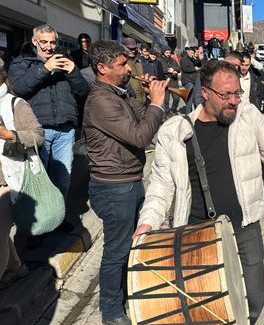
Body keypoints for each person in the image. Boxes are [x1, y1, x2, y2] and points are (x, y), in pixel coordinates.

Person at [133, 60, 264, 324]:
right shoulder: (175, 131)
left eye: (237, 93)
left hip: (244, 227)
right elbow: (161, 186)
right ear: (205, 93)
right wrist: (147, 223)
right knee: (206, 308)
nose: (233, 101)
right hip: (195, 232)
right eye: (226, 95)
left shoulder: (249, 116)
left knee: (253, 301)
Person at [83, 40, 167, 325]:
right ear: (102, 68)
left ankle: (126, 295)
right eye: (122, 64)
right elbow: (141, 137)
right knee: (116, 251)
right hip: (114, 186)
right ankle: (111, 311)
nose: (129, 68)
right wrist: (156, 103)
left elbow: (144, 121)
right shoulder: (101, 101)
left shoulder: (121, 93)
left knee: (133, 245)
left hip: (129, 180)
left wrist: (147, 99)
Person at [9, 24, 90, 225]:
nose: (49, 47)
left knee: (63, 176)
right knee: (40, 179)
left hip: (65, 128)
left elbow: (83, 92)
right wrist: (44, 69)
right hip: (38, 130)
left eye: (52, 42)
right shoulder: (21, 63)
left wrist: (73, 73)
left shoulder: (66, 61)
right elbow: (19, 88)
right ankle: (38, 222)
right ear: (34, 41)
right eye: (43, 42)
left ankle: (58, 218)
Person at [0, 68, 44, 290]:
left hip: (9, 180)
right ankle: (17, 268)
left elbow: (37, 135)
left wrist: (8, 134)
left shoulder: (15, 104)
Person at [122, 37, 146, 104]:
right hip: (130, 99)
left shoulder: (138, 62)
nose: (133, 51)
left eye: (134, 48)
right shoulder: (121, 63)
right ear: (123, 47)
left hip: (142, 97)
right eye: (130, 48)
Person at [158, 46, 181, 114]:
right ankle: (167, 112)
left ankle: (173, 110)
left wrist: (174, 69)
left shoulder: (173, 60)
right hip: (165, 82)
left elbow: (179, 69)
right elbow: (160, 70)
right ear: (163, 53)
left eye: (169, 53)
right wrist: (169, 70)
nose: (168, 54)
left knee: (177, 98)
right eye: (166, 53)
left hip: (174, 81)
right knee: (166, 100)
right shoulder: (159, 60)